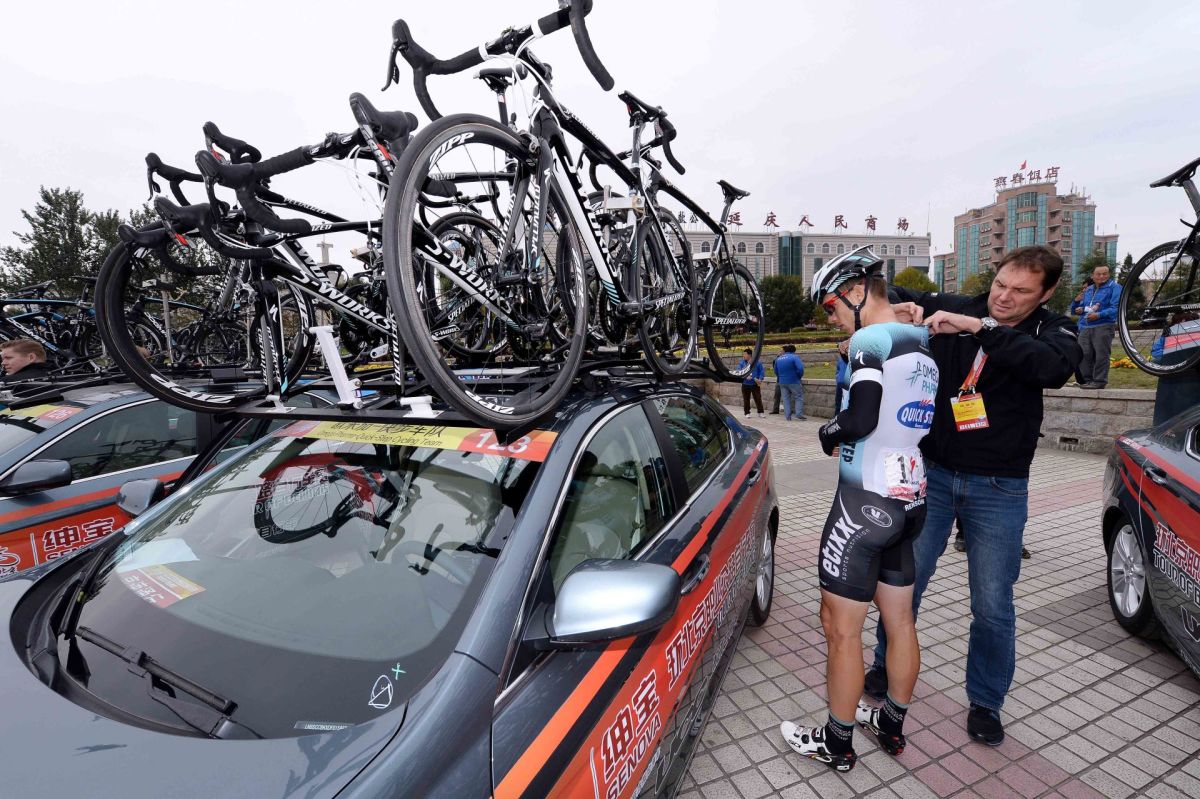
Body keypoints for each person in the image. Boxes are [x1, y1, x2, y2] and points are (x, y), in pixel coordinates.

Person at [868, 245, 1082, 747]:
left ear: (1047, 293)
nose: (1003, 297)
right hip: (935, 477)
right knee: (904, 585)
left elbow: (1052, 368)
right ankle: (883, 664)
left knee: (992, 603)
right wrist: (897, 306)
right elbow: (889, 292)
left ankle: (986, 702)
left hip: (999, 487)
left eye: (1020, 291)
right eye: (1000, 284)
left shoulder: (1054, 330)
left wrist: (979, 329)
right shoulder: (957, 305)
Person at [780, 247, 938, 772]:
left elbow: (861, 417)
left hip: (863, 503)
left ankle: (837, 742)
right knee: (900, 623)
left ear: (855, 291)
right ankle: (891, 724)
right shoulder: (921, 340)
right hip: (910, 499)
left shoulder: (872, 340)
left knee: (840, 628)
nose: (830, 319)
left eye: (830, 307)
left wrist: (827, 432)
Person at [1070, 265, 1121, 388]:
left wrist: (1099, 315)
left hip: (1103, 325)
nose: (1102, 276)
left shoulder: (1115, 287)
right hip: (1085, 326)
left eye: (1105, 273)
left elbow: (1116, 308)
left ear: (1109, 274)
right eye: (1098, 274)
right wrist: (1079, 308)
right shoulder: (1088, 289)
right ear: (1092, 276)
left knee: (1101, 355)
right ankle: (1086, 380)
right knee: (1083, 354)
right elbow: (1081, 308)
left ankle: (1099, 381)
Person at [773, 344, 806, 420]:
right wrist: (799, 376)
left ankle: (787, 416)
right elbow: (800, 369)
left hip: (782, 381)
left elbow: (775, 371)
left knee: (785, 399)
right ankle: (798, 414)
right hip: (793, 380)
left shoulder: (778, 359)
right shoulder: (794, 357)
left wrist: (780, 377)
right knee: (798, 396)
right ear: (794, 351)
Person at [738, 348, 765, 418]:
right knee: (746, 399)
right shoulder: (742, 363)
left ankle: (761, 412)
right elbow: (739, 371)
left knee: (758, 398)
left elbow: (762, 371)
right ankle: (747, 413)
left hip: (755, 384)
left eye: (745, 354)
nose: (743, 356)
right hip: (745, 384)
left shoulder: (757, 362)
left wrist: (760, 379)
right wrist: (745, 376)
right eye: (743, 354)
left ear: (749, 355)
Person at [834, 339, 851, 413]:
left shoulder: (850, 358)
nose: (840, 349)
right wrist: (837, 378)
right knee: (839, 403)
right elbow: (838, 370)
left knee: (843, 403)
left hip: (846, 383)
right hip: (841, 382)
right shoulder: (841, 359)